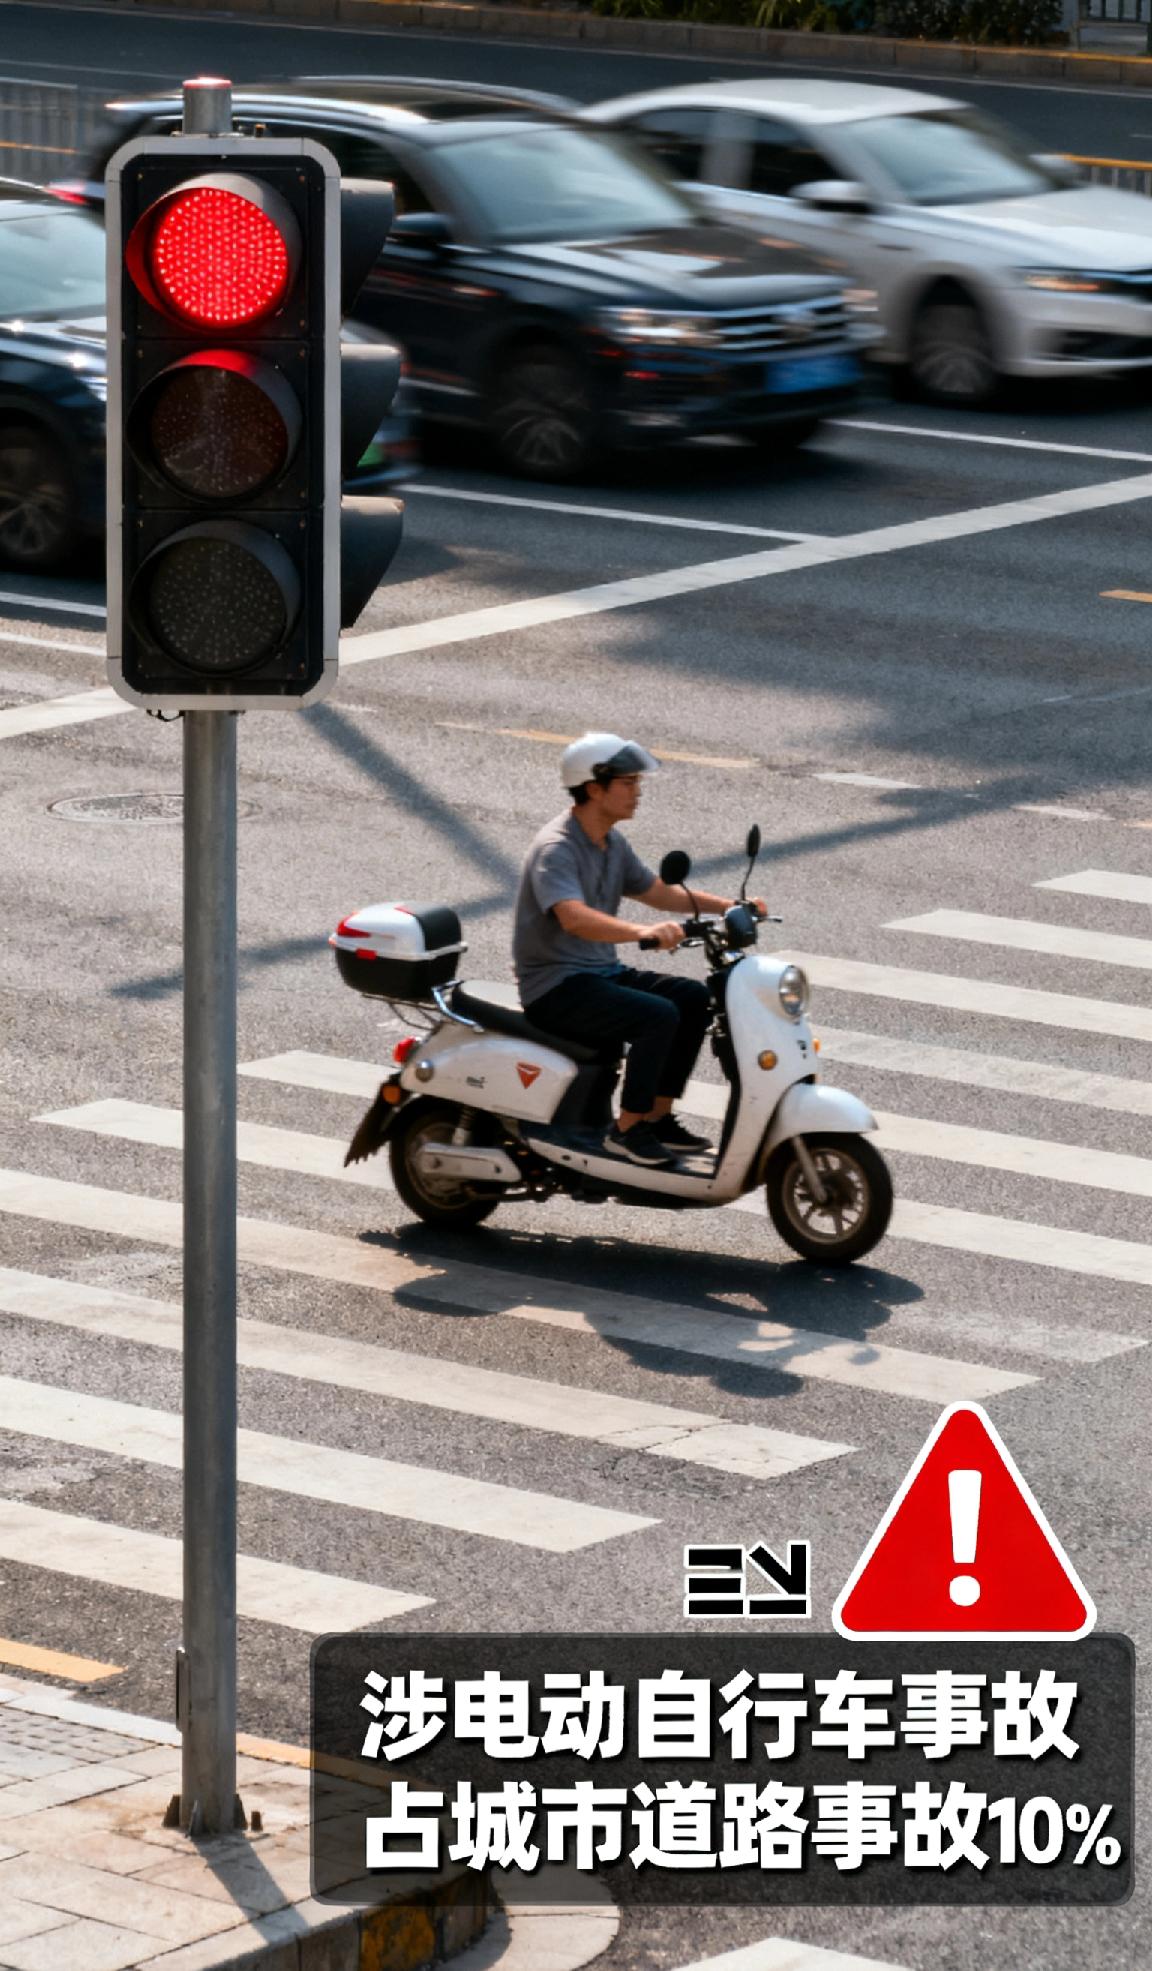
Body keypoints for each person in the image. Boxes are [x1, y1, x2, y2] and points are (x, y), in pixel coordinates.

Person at [513, 733, 761, 1170]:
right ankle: (626, 1131)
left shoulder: (610, 843)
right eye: (627, 783)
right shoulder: (557, 848)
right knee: (656, 1016)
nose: (637, 791)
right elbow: (572, 917)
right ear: (594, 788)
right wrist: (641, 932)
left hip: (597, 973)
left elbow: (658, 892)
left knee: (692, 998)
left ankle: (656, 1119)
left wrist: (729, 907)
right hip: (555, 985)